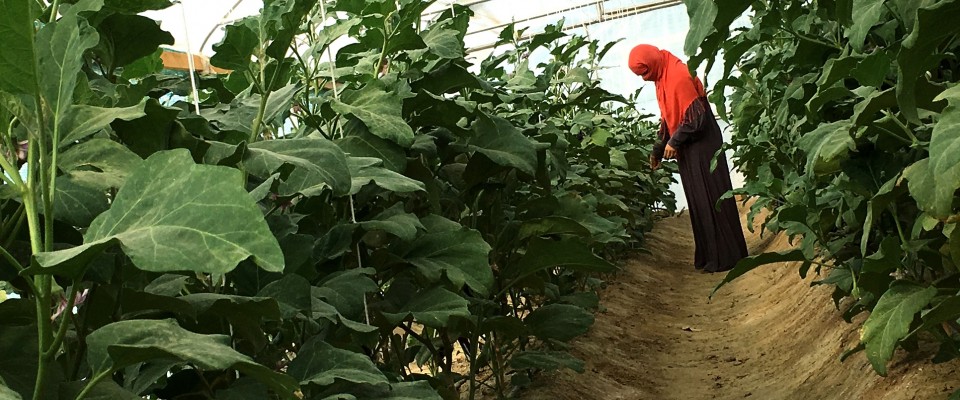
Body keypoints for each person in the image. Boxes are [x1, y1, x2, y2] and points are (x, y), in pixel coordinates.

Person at [628, 44, 748, 273]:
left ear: (652, 63)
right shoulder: (662, 77)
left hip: (703, 145)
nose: (644, 79)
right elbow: (668, 116)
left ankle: (728, 257)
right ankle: (712, 256)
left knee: (712, 198)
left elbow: (697, 117)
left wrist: (675, 141)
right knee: (699, 200)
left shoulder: (678, 75)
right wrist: (657, 150)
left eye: (644, 72)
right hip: (689, 146)